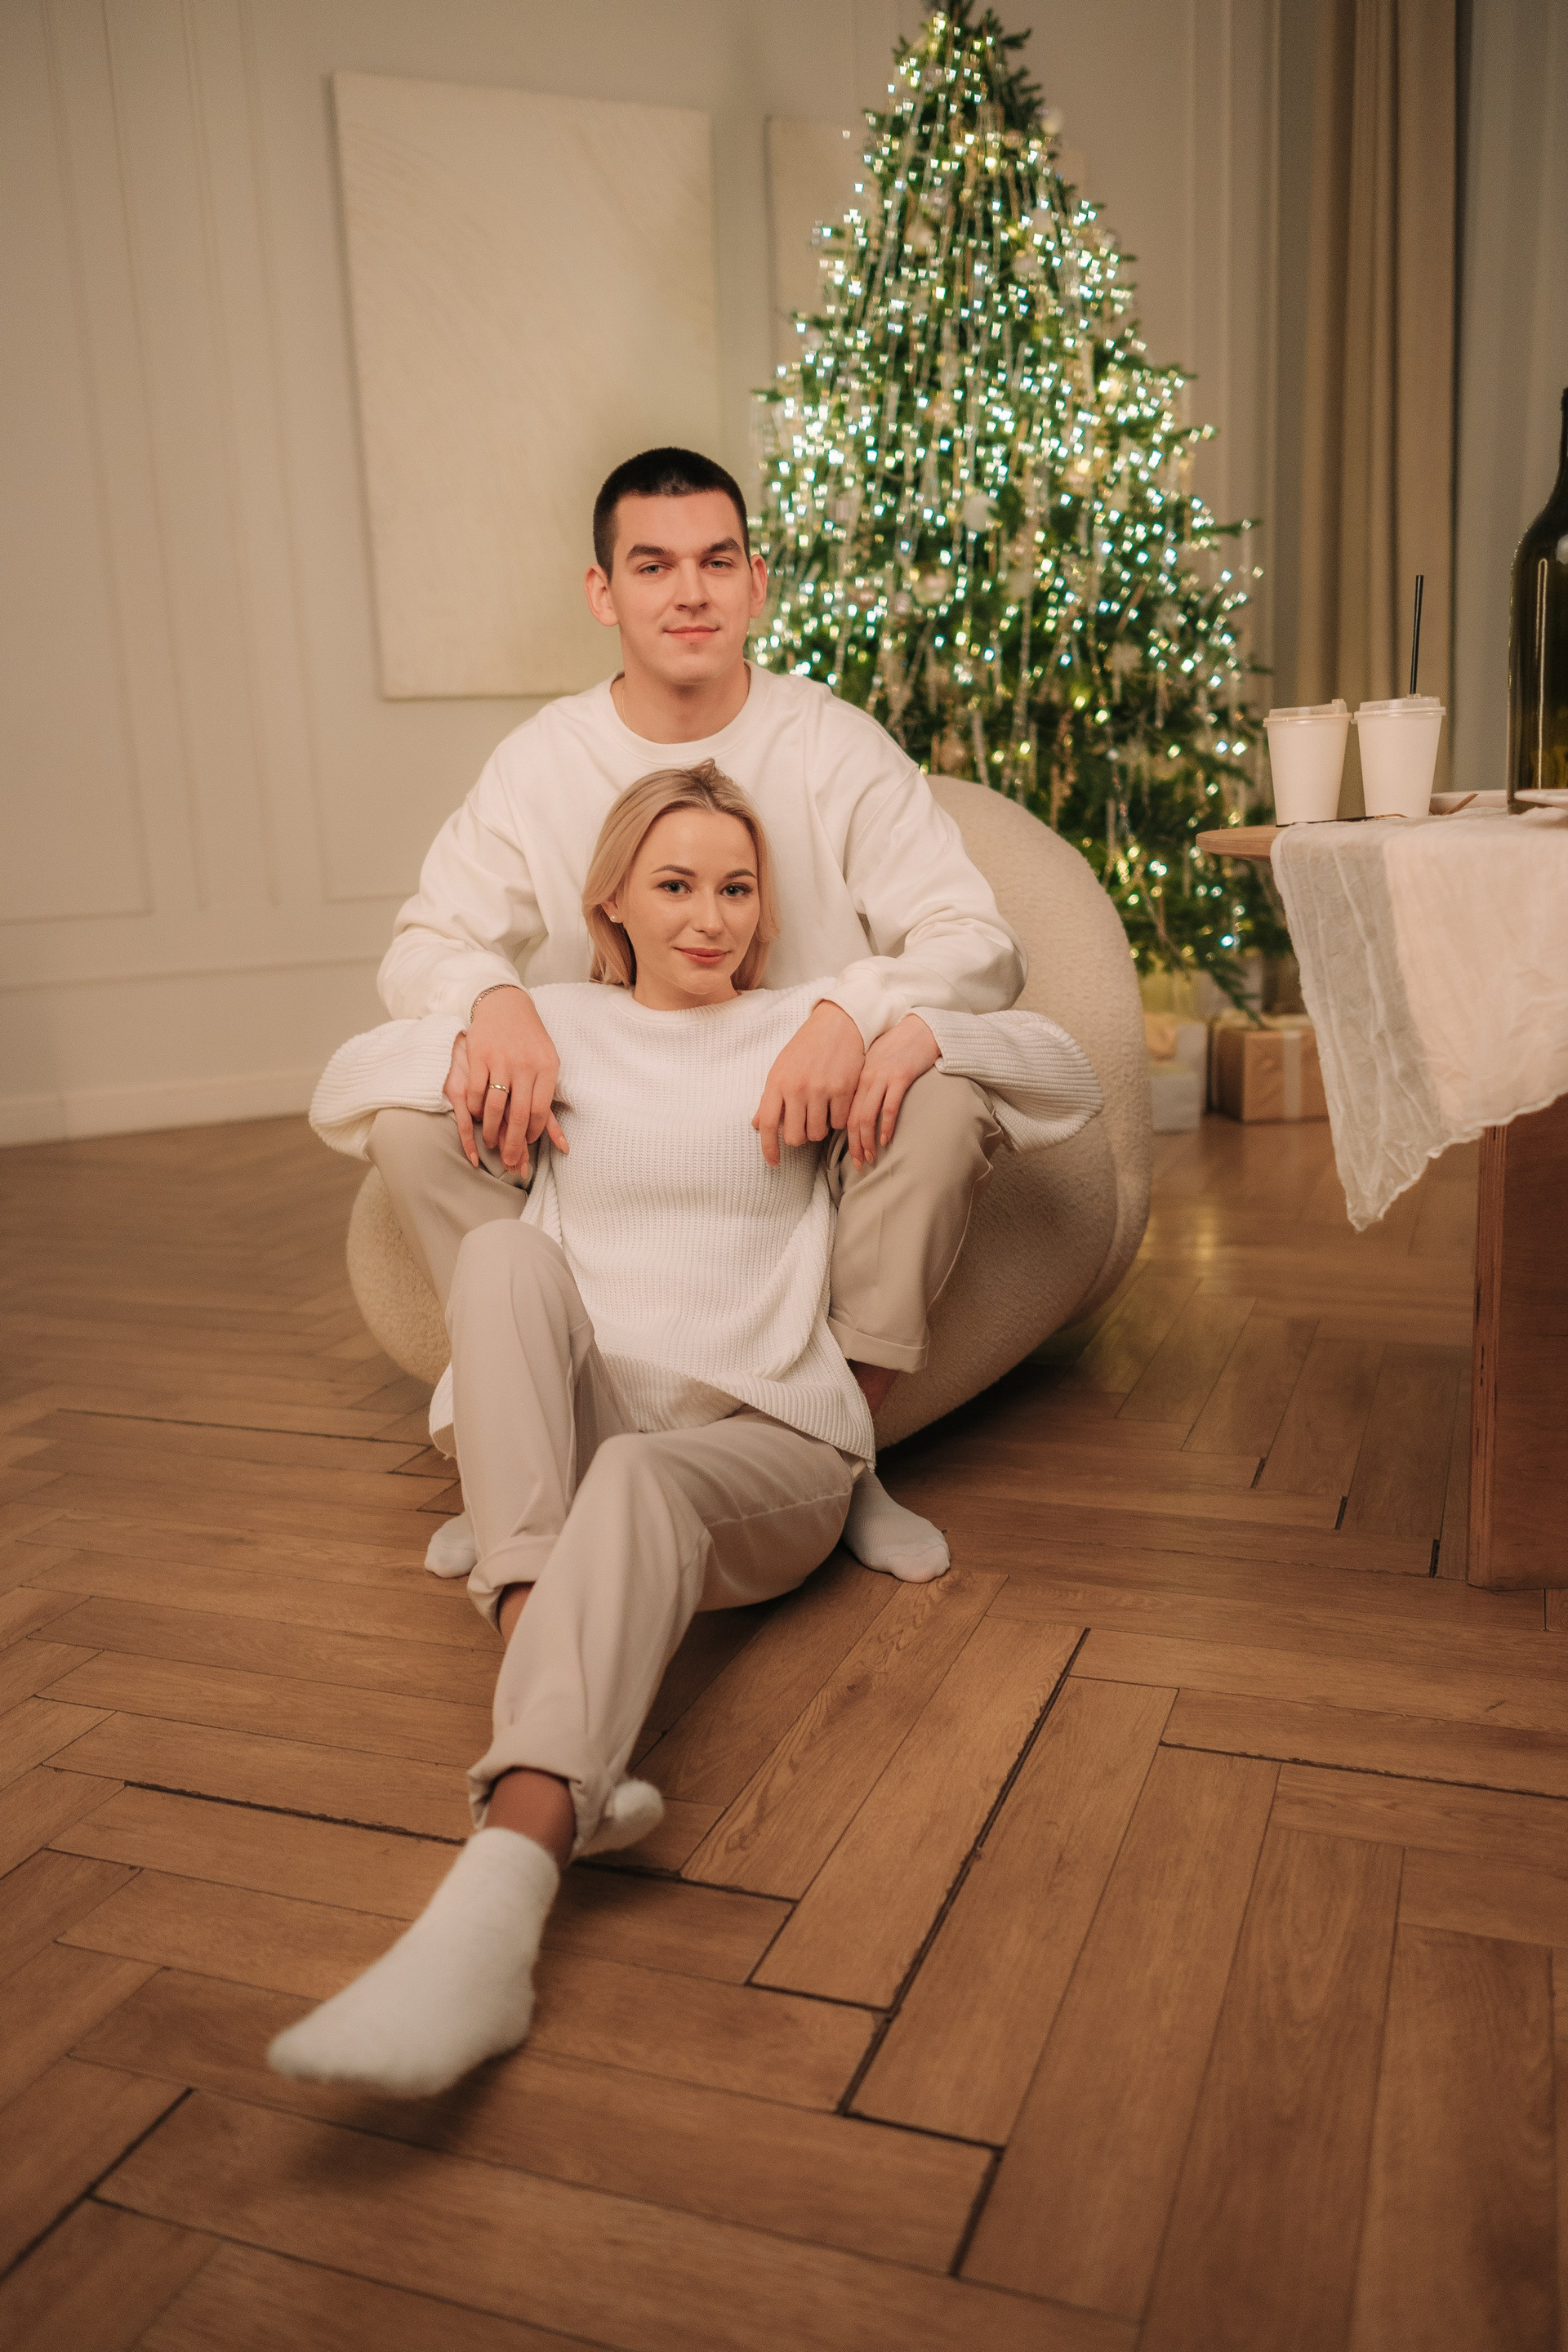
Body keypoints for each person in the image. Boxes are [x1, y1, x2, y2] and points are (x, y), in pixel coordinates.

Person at [280, 764, 1099, 2096]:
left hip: (768, 1445)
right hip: (597, 1421)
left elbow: (1063, 1076)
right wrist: (492, 1007)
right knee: (502, 1264)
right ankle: (554, 1671)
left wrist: (893, 1030)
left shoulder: (806, 1027)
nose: (711, 917)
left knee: (644, 1485)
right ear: (611, 901)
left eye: (737, 887)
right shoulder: (554, 1025)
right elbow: (345, 1091)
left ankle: (504, 1882)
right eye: (674, 885)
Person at [368, 445, 1027, 1583]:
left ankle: (838, 1454)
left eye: (718, 562)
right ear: (603, 592)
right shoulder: (539, 763)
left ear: (756, 583)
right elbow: (426, 942)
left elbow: (979, 941)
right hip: (600, 1128)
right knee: (408, 1129)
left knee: (946, 1103)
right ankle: (526, 1464)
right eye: (653, 565)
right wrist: (493, 997)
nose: (690, 593)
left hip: (805, 1128)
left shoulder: (835, 744)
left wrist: (850, 1012)